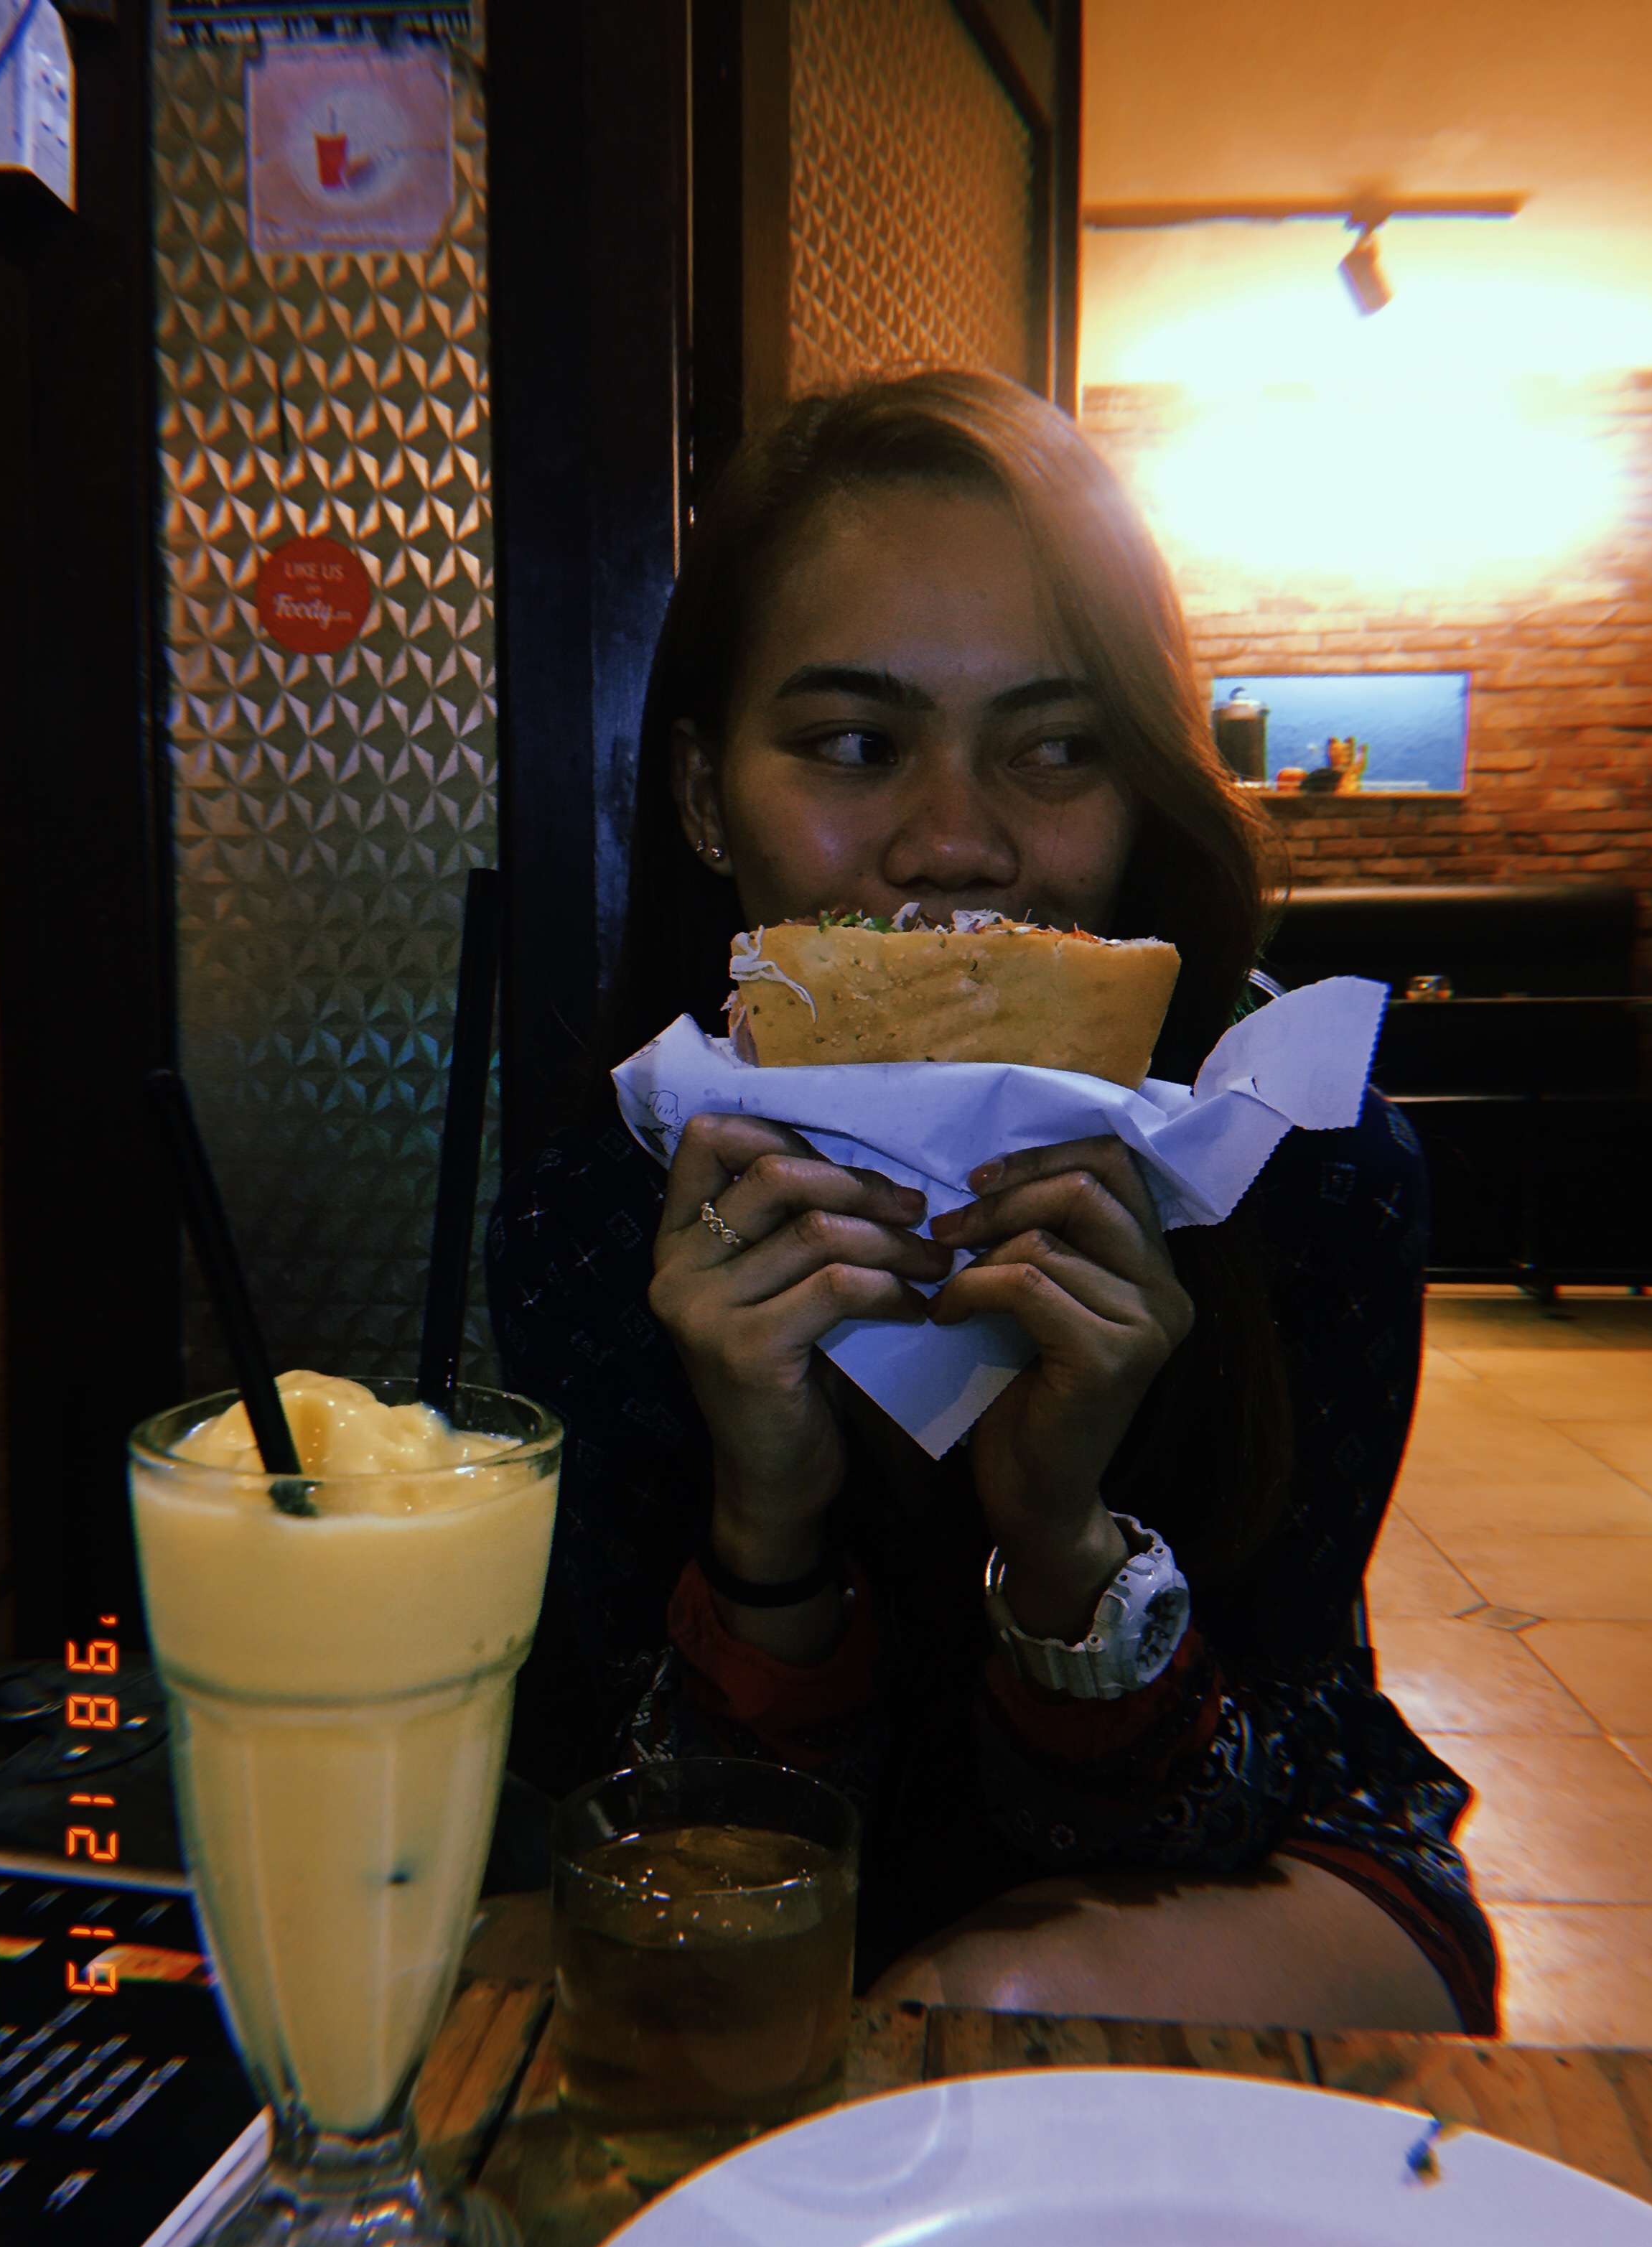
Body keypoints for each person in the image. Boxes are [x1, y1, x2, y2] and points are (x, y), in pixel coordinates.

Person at [486, 371, 1498, 2035]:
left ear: (1139, 789)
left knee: (983, 2001)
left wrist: (1063, 1544)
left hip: (1260, 1879)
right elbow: (673, 1842)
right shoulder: (596, 1221)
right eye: (855, 744)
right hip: (814, 1913)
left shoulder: (1306, 1174)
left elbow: (1263, 1775)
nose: (956, 842)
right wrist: (766, 1521)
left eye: (1055, 749)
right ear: (704, 796)